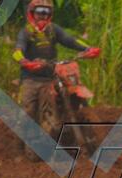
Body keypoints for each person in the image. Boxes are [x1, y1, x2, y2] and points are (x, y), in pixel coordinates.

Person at [13, 0, 100, 161]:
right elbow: (18, 50)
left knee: (69, 96)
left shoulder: (53, 29)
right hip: (32, 79)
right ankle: (19, 148)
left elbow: (70, 40)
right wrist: (24, 61)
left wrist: (87, 49)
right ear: (32, 13)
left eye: (46, 12)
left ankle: (71, 138)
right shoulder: (26, 32)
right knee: (28, 110)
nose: (43, 16)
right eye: (39, 12)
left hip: (52, 75)